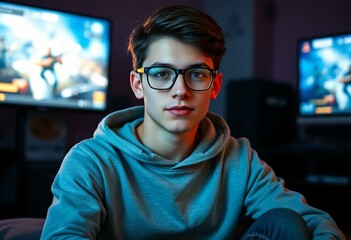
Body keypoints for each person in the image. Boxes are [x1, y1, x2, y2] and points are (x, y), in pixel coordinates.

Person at [41, 5, 346, 240]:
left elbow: (312, 220)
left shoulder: (238, 159)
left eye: (197, 74)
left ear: (214, 86)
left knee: (285, 223)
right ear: (137, 85)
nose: (180, 90)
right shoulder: (90, 161)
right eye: (161, 73)